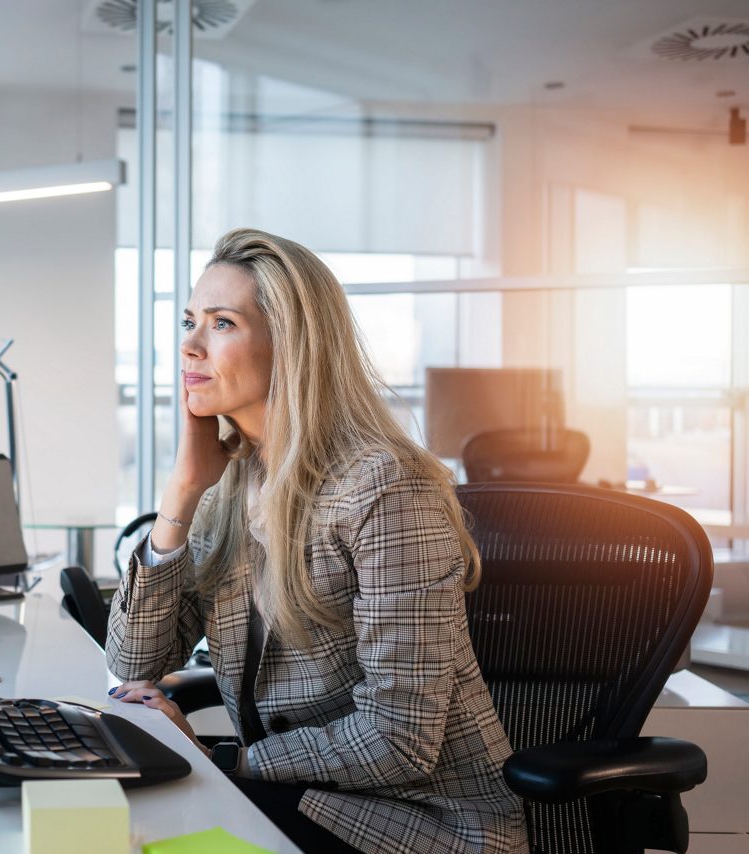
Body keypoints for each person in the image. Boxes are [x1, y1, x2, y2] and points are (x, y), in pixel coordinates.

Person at [106, 228, 528, 854]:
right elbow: (134, 662)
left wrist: (226, 759)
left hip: (423, 823)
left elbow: (400, 739)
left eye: (221, 324)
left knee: (141, 833)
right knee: (123, 820)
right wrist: (182, 491)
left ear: (291, 346)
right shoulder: (233, 482)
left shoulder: (383, 490)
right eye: (190, 321)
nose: (189, 345)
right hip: (304, 797)